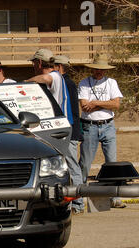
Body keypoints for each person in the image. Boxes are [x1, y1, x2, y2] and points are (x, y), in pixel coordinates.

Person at [78, 54, 126, 208]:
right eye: (97, 69)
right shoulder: (84, 83)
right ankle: (79, 198)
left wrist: (96, 103)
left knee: (111, 161)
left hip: (108, 125)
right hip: (89, 125)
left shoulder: (112, 83)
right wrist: (106, 103)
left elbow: (116, 104)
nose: (99, 71)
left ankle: (114, 196)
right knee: (85, 163)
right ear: (93, 69)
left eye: (102, 69)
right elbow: (84, 106)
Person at [54, 55, 85, 214]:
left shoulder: (66, 84)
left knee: (73, 167)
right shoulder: (67, 83)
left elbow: (72, 112)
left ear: (59, 67)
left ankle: (78, 203)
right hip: (70, 130)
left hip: (69, 132)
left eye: (54, 66)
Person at [26, 49, 73, 126]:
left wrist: (26, 82)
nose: (33, 66)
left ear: (40, 62)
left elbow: (45, 78)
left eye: (34, 62)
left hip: (61, 123)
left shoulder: (56, 75)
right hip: (55, 123)